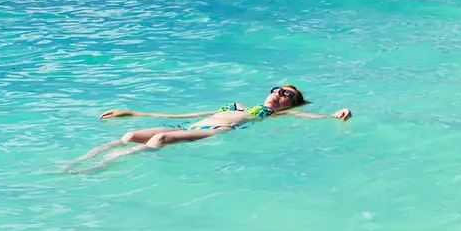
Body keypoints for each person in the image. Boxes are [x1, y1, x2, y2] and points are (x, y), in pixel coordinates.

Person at [67, 84, 350, 170]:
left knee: (161, 139)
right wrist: (132, 112)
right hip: (193, 124)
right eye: (277, 88)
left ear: (291, 104)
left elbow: (308, 117)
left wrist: (334, 115)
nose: (278, 93)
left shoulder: (271, 115)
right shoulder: (236, 105)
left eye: (287, 94)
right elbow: (191, 112)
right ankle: (79, 161)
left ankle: (98, 168)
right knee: (130, 135)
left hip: (213, 132)